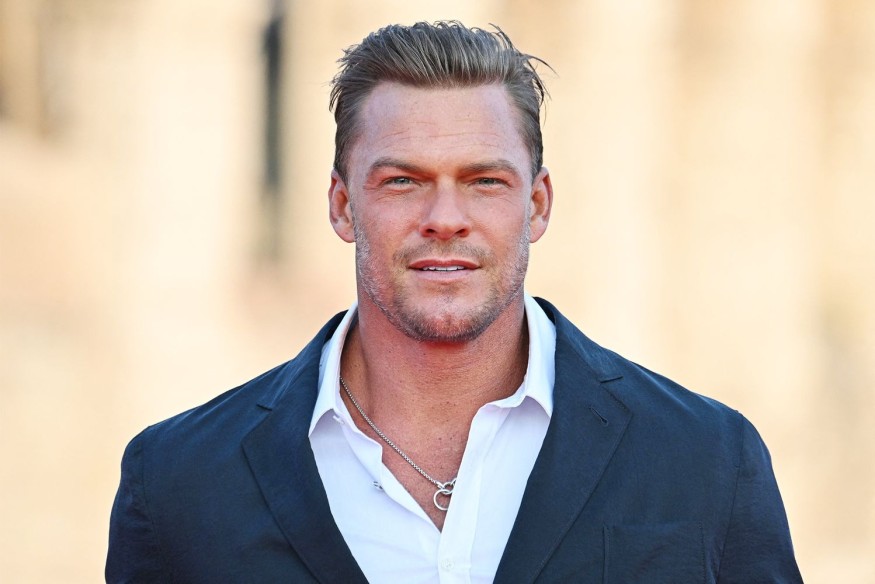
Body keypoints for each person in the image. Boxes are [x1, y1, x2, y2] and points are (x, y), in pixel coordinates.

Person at [106, 21, 802, 583]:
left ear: (537, 204)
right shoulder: (179, 481)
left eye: (484, 182)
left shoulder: (704, 458)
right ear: (342, 205)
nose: (445, 218)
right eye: (403, 182)